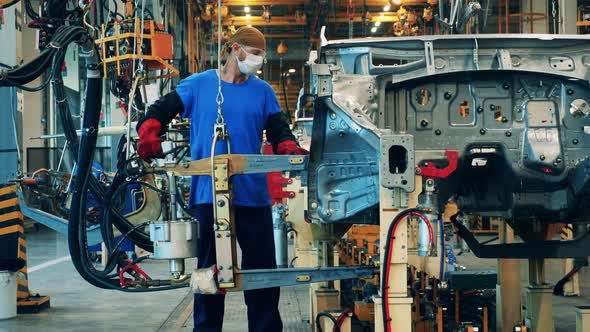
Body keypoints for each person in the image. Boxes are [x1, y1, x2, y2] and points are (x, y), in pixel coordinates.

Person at [136, 27, 307, 332]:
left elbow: (280, 130)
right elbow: (161, 110)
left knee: (263, 274)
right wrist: (149, 129)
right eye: (254, 53)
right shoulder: (200, 85)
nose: (258, 60)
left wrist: (288, 147)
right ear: (235, 49)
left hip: (253, 196)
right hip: (207, 196)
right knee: (208, 275)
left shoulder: (263, 91)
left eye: (260, 55)